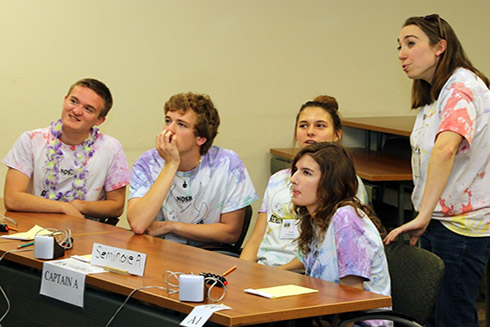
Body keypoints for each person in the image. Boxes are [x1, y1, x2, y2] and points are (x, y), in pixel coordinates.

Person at [384, 14, 490, 327]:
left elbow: (445, 149)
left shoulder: (461, 88)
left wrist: (422, 214)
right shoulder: (436, 92)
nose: (402, 53)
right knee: (433, 315)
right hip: (440, 217)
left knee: (452, 315)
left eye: (411, 43)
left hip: (460, 224)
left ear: (440, 47)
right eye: (399, 46)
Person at [240, 95, 368, 268]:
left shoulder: (346, 182)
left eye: (320, 126)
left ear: (337, 135)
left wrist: (276, 274)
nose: (310, 132)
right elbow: (256, 238)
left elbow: (324, 250)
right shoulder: (278, 179)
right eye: (303, 125)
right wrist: (243, 270)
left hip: (304, 272)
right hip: (265, 269)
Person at [127, 92, 257, 246]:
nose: (170, 130)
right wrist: (171, 165)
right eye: (168, 121)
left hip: (206, 254)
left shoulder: (227, 163)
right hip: (157, 249)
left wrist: (171, 226)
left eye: (181, 124)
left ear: (200, 138)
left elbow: (230, 233)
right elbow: (137, 223)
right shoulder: (147, 162)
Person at [288, 142, 390, 327]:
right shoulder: (316, 220)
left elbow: (352, 295)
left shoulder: (346, 218)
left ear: (330, 182)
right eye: (296, 170)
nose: (293, 179)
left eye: (306, 173)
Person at [3, 78, 130, 221]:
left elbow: (116, 206)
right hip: (34, 228)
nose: (76, 111)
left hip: (87, 231)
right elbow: (12, 198)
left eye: (88, 109)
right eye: (74, 101)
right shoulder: (31, 140)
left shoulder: (111, 148)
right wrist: (63, 208)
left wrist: (80, 206)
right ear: (64, 100)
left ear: (99, 120)